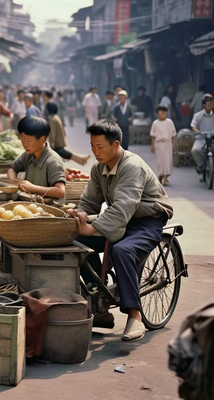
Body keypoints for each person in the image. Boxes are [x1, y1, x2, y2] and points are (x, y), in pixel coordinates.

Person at [69, 120, 173, 341]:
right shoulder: (99, 168)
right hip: (120, 219)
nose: (95, 152)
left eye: (100, 147)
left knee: (123, 251)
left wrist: (93, 227)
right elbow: (89, 202)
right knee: (75, 242)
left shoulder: (131, 166)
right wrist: (81, 217)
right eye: (92, 146)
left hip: (147, 220)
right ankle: (99, 301)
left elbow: (124, 206)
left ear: (115, 144)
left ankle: (135, 316)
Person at [7, 116, 66, 200]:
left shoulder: (53, 161)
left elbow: (60, 192)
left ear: (43, 139)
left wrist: (32, 188)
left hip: (49, 209)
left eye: (28, 139)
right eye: (22, 138)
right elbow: (12, 169)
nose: (24, 143)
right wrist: (13, 182)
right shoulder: (28, 155)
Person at [150, 105, 177, 186]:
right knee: (160, 161)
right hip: (159, 143)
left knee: (168, 161)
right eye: (160, 112)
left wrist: (174, 145)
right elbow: (153, 135)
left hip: (167, 143)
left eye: (164, 112)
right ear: (157, 113)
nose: (162, 113)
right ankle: (161, 175)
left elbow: (173, 134)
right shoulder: (155, 123)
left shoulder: (169, 122)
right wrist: (152, 145)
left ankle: (166, 177)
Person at [190, 94, 214, 174]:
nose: (211, 105)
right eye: (208, 103)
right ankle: (201, 165)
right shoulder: (197, 115)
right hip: (201, 138)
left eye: (212, 103)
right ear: (204, 105)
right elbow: (193, 125)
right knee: (195, 150)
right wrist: (196, 130)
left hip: (213, 139)